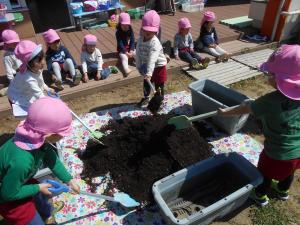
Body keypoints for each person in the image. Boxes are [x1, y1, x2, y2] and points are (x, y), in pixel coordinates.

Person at [218, 45, 300, 206]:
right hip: (298, 150)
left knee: (265, 173)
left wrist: (224, 112)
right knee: (290, 172)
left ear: (281, 79)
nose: (268, 76)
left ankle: (260, 195)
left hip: (276, 153)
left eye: (271, 74)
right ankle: (283, 191)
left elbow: (244, 109)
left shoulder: (269, 101)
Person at [0, 97, 80, 224]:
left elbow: (51, 158)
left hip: (19, 181)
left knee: (39, 194)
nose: (63, 137)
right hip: (7, 197)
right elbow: (8, 194)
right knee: (29, 217)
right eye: (62, 134)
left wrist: (68, 179)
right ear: (49, 135)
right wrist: (37, 187)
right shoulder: (22, 162)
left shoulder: (36, 138)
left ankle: (46, 214)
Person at [7, 40, 55, 111]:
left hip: (27, 91)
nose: (43, 62)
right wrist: (53, 105)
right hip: (16, 97)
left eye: (43, 58)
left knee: (36, 107)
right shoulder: (28, 78)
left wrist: (47, 89)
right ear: (29, 63)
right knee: (29, 113)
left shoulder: (37, 68)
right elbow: (39, 94)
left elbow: (40, 81)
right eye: (39, 60)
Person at [136, 10, 167, 107]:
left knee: (159, 85)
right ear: (142, 29)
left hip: (159, 66)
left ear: (156, 31)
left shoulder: (155, 43)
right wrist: (139, 66)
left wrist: (149, 73)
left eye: (151, 31)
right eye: (146, 30)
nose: (148, 32)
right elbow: (138, 53)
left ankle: (159, 101)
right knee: (146, 83)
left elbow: (152, 59)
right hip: (147, 65)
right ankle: (146, 98)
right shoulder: (140, 39)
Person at [0, 29, 22, 97]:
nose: (16, 44)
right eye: (13, 43)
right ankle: (7, 89)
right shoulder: (7, 56)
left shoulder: (19, 50)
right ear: (7, 44)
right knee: (21, 86)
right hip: (16, 75)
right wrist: (12, 82)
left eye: (16, 42)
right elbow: (9, 71)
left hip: (24, 72)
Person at [116, 12, 135, 77]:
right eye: (123, 25)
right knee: (124, 58)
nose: (125, 27)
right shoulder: (118, 32)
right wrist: (126, 52)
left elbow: (132, 41)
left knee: (136, 53)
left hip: (130, 49)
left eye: (127, 25)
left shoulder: (130, 30)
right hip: (122, 50)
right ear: (120, 24)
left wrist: (132, 50)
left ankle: (140, 64)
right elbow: (120, 43)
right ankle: (126, 69)